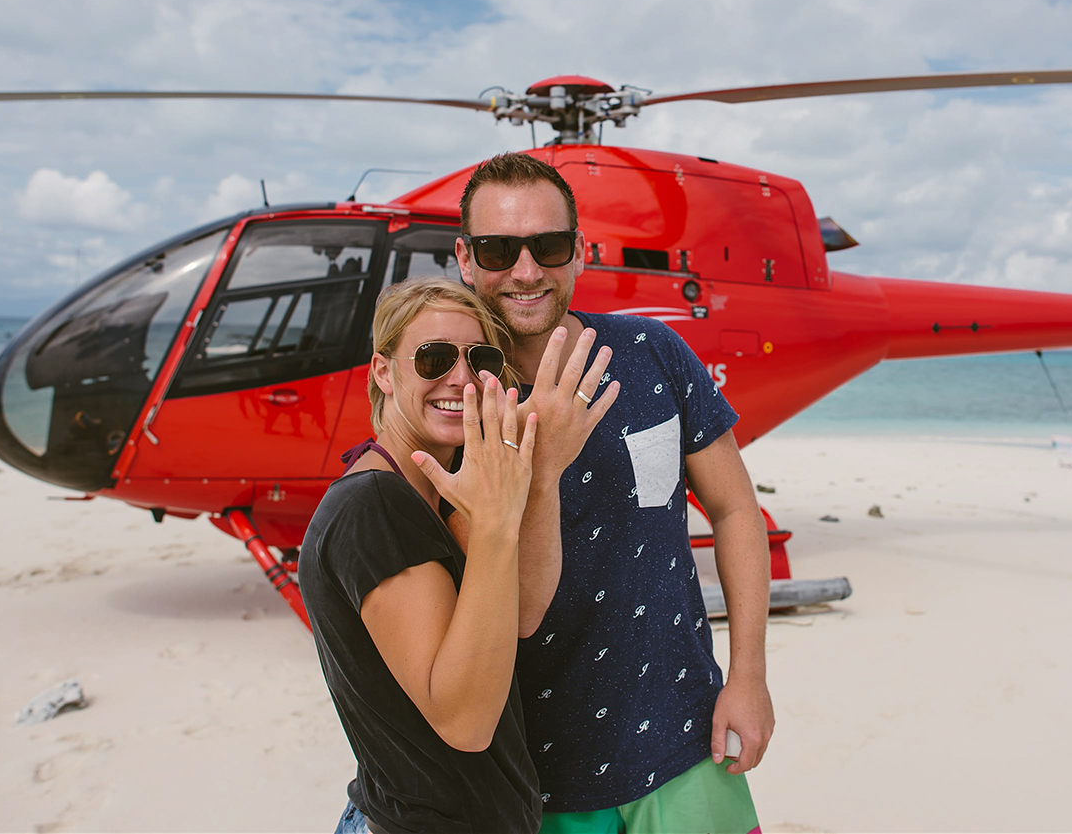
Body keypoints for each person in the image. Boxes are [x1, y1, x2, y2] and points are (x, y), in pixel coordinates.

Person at [455, 153, 774, 834]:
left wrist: (748, 674)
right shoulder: (458, 402)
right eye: (497, 249)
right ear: (463, 257)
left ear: (579, 252)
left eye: (549, 245)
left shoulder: (653, 351)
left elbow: (734, 506)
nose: (526, 270)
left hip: (688, 740)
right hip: (539, 776)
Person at [300, 278, 612, 834]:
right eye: (434, 357)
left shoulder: (432, 490)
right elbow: (465, 722)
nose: (462, 377)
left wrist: (542, 474)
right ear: (382, 372)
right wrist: (495, 523)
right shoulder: (376, 505)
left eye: (481, 359)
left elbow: (521, 613)